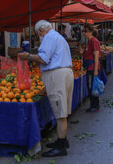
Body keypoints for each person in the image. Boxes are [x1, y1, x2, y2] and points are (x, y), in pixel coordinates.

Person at [18, 20, 74, 157]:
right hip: (65, 73)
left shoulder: (49, 37)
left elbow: (43, 59)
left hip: (57, 76)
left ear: (41, 31)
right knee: (62, 110)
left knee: (60, 113)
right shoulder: (58, 37)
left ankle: (61, 147)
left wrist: (28, 56)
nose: (39, 36)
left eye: (38, 34)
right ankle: (62, 141)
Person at [81, 25, 101, 113]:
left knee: (91, 87)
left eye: (85, 31)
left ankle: (94, 106)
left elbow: (96, 56)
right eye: (83, 31)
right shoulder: (89, 41)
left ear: (90, 32)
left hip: (92, 68)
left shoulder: (94, 41)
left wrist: (96, 70)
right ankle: (95, 104)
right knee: (92, 87)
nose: (83, 33)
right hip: (89, 67)